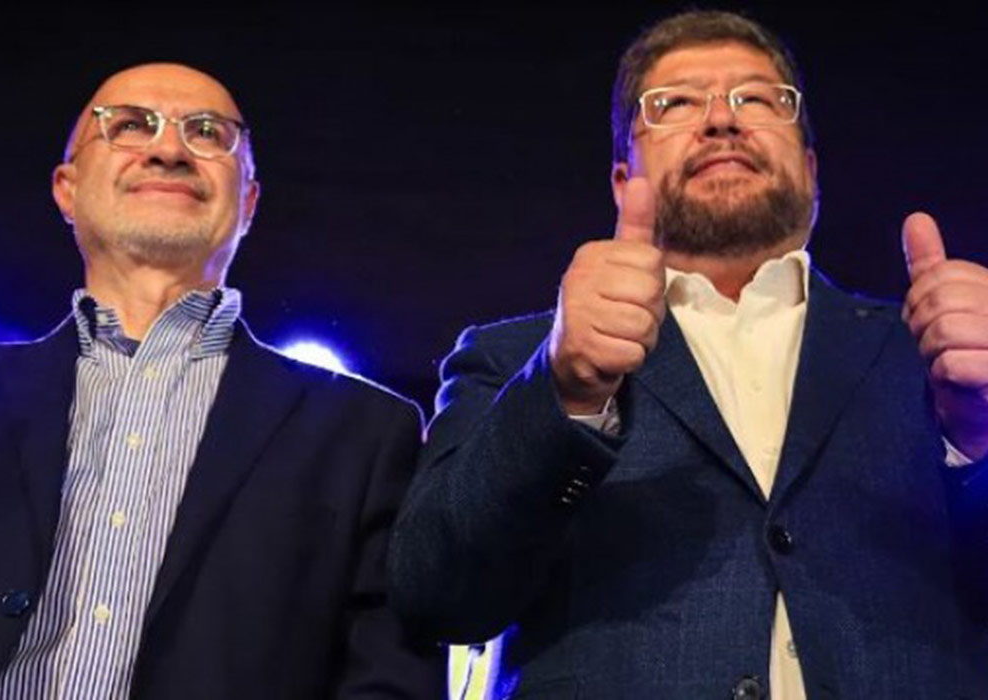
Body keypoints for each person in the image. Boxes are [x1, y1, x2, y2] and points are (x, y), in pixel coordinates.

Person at [0, 52, 442, 698]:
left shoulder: (364, 433)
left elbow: (387, 678)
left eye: (207, 133)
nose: (169, 151)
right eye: (129, 125)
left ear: (248, 202)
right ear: (66, 190)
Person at [389, 10, 988, 699]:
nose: (721, 120)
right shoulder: (516, 361)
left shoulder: (938, 356)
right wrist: (567, 396)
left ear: (810, 169)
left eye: (756, 98)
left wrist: (977, 439)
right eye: (675, 104)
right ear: (623, 180)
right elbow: (434, 596)